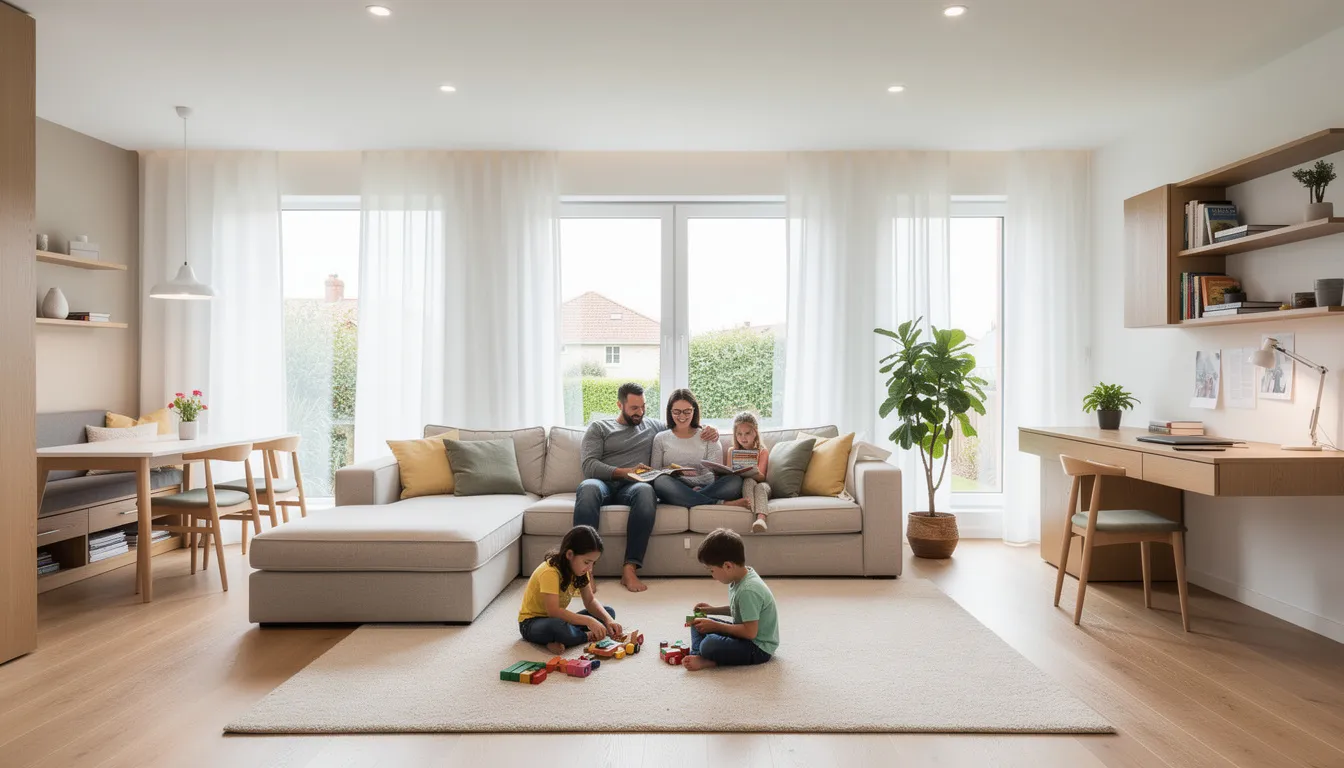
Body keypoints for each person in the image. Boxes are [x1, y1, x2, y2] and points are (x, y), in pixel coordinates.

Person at [576, 382, 719, 593]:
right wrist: (626, 471)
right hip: (602, 483)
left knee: (646, 491)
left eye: (643, 407)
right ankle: (583, 572)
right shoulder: (599, 428)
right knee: (587, 488)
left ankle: (630, 569)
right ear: (619, 404)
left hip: (633, 487)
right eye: (634, 408)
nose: (640, 412)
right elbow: (589, 465)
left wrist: (709, 429)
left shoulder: (652, 426)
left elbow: (682, 423)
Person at [517, 525, 622, 654]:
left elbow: (590, 601)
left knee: (608, 612)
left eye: (593, 563)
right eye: (586, 562)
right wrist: (589, 621)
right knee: (558, 627)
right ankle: (585, 636)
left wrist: (608, 620)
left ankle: (565, 639)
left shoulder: (581, 572)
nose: (590, 569)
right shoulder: (549, 572)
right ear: (570, 554)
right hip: (532, 624)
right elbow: (554, 612)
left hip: (559, 620)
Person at [684, 528, 778, 671]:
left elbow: (750, 633)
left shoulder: (748, 590)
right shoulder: (738, 578)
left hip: (758, 648)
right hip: (744, 635)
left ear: (727, 566)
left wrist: (716, 626)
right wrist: (711, 610)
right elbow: (738, 609)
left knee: (709, 644)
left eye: (712, 570)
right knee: (697, 622)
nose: (712, 575)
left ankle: (708, 658)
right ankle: (699, 654)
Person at [650, 388, 749, 510]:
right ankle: (719, 503)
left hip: (705, 486)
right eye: (676, 411)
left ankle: (688, 499)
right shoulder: (660, 438)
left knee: (735, 481)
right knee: (661, 482)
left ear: (694, 411)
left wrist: (695, 484)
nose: (682, 416)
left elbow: (712, 475)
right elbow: (654, 474)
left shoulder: (708, 435)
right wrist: (676, 472)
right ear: (670, 412)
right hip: (674, 486)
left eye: (687, 411)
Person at [727, 412, 772, 532]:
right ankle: (755, 522)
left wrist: (753, 471)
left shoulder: (762, 451)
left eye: (747, 433)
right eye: (739, 434)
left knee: (758, 485)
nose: (743, 437)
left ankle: (761, 519)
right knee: (747, 481)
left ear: (755, 432)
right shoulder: (732, 451)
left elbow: (762, 478)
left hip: (761, 485)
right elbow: (728, 472)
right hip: (743, 486)